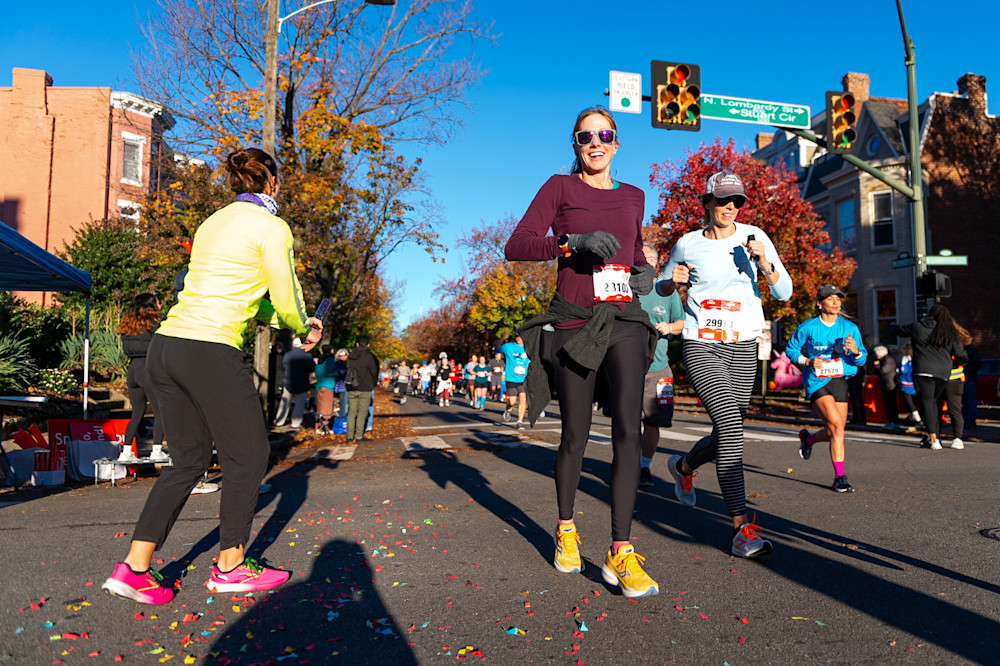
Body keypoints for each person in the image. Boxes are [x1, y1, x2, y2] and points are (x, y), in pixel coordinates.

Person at [103, 147, 322, 605]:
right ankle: (232, 568)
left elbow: (239, 293)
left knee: (188, 460)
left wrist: (284, 320)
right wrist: (303, 325)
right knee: (249, 454)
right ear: (273, 183)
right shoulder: (272, 226)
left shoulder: (212, 223)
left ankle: (135, 568)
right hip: (209, 348)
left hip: (167, 346)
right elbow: (283, 293)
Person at [505, 106, 659, 598]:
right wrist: (571, 243)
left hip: (625, 320)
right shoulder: (559, 188)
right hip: (573, 321)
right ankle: (566, 529)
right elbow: (518, 244)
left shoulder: (634, 196)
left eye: (605, 135)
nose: (596, 142)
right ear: (575, 145)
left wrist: (646, 274)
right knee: (575, 434)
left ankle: (621, 549)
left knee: (628, 432)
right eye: (585, 136)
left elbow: (636, 258)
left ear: (617, 144)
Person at [656, 168, 792, 558]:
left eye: (737, 201)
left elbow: (784, 293)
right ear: (707, 203)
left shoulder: (756, 238)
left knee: (727, 430)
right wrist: (672, 282)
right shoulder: (687, 243)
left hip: (743, 345)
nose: (730, 207)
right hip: (701, 344)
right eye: (722, 200)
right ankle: (741, 528)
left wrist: (764, 261)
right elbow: (663, 285)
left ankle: (684, 467)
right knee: (731, 426)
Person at [787, 285, 869, 492]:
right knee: (835, 424)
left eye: (838, 299)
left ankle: (809, 439)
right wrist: (807, 361)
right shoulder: (808, 327)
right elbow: (792, 350)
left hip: (840, 380)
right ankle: (840, 477)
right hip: (817, 381)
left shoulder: (849, 328)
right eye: (830, 299)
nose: (835, 303)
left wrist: (856, 351)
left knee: (837, 430)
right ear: (819, 303)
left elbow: (861, 360)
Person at [636, 244, 685, 486]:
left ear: (656, 263)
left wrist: (669, 327)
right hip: (629, 369)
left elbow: (681, 323)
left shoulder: (666, 291)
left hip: (659, 370)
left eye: (646, 259)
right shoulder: (626, 287)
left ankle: (644, 467)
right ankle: (625, 465)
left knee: (654, 422)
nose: (641, 262)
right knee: (627, 422)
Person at [896, 304, 968, 450]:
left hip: (923, 371)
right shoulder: (949, 331)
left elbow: (901, 330)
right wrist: (954, 361)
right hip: (943, 373)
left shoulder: (918, 327)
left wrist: (893, 326)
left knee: (928, 403)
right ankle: (953, 438)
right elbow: (961, 355)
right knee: (937, 403)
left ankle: (934, 438)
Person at [118, 293, 166, 463]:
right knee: (160, 412)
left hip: (133, 371)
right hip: (149, 369)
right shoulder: (156, 324)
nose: (160, 305)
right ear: (151, 306)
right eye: (158, 302)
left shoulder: (128, 325)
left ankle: (126, 451)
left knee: (136, 413)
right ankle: (157, 450)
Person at [937, 324, 972, 449]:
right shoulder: (957, 342)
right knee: (955, 410)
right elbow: (963, 358)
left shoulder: (940, 342)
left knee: (938, 410)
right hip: (955, 380)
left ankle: (937, 438)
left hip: (942, 379)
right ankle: (957, 438)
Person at [274, 337, 315, 429]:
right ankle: (295, 423)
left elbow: (284, 366)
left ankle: (279, 421)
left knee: (284, 403)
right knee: (299, 404)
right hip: (302, 382)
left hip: (289, 382)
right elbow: (312, 367)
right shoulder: (307, 356)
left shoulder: (287, 355)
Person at [345, 335, 379, 444]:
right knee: (362, 412)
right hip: (365, 387)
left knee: (351, 412)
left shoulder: (350, 356)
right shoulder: (369, 357)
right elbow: (374, 372)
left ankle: (349, 436)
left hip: (351, 386)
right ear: (368, 345)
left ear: (357, 344)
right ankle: (359, 436)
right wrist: (373, 384)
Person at [499, 335, 531, 429]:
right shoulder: (509, 346)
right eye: (516, 336)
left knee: (523, 399)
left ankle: (519, 422)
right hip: (511, 378)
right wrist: (501, 339)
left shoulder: (529, 347)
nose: (518, 337)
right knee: (512, 401)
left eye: (521, 336)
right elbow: (497, 349)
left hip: (524, 379)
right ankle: (508, 408)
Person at [872, 345, 900, 430]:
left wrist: (877, 366)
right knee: (888, 404)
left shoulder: (887, 360)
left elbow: (883, 370)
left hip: (890, 384)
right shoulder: (885, 359)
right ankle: (891, 421)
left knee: (891, 404)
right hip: (886, 384)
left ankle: (894, 421)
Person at [313, 344, 337, 434]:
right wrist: (338, 372)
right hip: (328, 385)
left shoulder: (320, 360)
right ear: (331, 350)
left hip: (319, 385)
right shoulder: (330, 359)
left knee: (319, 407)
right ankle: (325, 426)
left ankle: (317, 427)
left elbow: (317, 373)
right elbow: (329, 372)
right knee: (327, 408)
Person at [898, 343, 921, 425]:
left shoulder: (905, 358)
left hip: (906, 383)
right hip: (914, 382)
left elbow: (903, 370)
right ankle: (912, 419)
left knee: (908, 402)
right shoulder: (916, 357)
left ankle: (917, 418)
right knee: (913, 400)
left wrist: (898, 371)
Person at [961, 338, 981, 429]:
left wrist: (965, 370)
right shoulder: (963, 351)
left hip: (969, 379)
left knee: (970, 400)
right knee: (965, 401)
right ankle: (967, 420)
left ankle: (971, 420)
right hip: (964, 379)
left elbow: (977, 364)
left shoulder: (972, 351)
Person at [333, 348, 349, 418]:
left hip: (344, 385)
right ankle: (343, 419)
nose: (343, 356)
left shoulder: (346, 364)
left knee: (345, 403)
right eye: (341, 355)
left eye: (345, 354)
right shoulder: (339, 364)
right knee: (344, 404)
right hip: (342, 386)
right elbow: (342, 374)